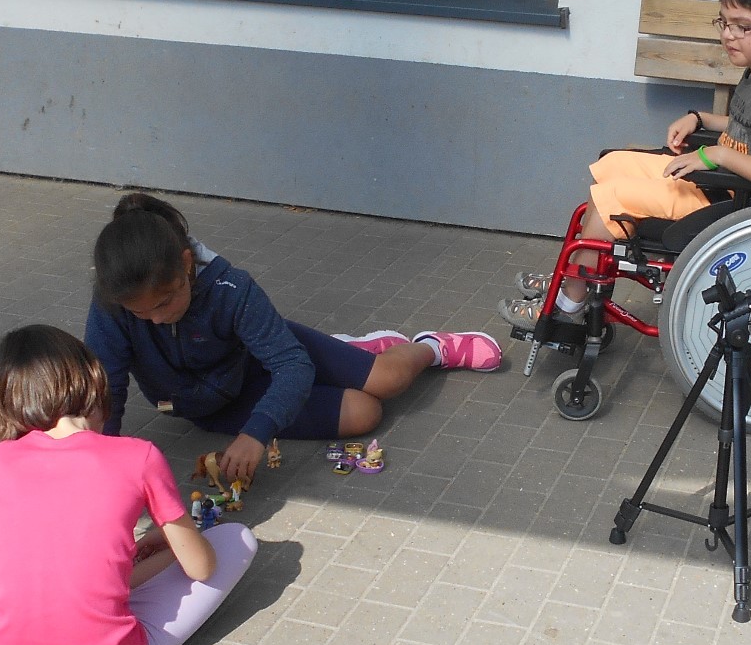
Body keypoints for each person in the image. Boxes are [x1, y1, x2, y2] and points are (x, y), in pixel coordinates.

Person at [85, 192, 501, 484]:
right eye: (141, 314)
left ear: (187, 264)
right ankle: (348, 352)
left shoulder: (232, 289)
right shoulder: (113, 303)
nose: (156, 319)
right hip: (217, 404)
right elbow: (107, 389)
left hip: (265, 357)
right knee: (365, 414)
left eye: (165, 303)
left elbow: (291, 364)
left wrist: (257, 434)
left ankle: (430, 347)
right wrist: (102, 465)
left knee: (389, 380)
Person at [0, 324, 257, 645]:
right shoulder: (139, 456)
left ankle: (20, 640)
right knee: (237, 538)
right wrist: (169, 550)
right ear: (93, 381)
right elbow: (201, 567)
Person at [498, 0, 751, 329]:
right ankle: (581, 275)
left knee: (612, 198)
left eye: (742, 27)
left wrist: (715, 154)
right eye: (724, 23)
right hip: (716, 180)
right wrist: (700, 119)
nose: (728, 35)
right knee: (613, 165)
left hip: (726, 199)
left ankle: (568, 304)